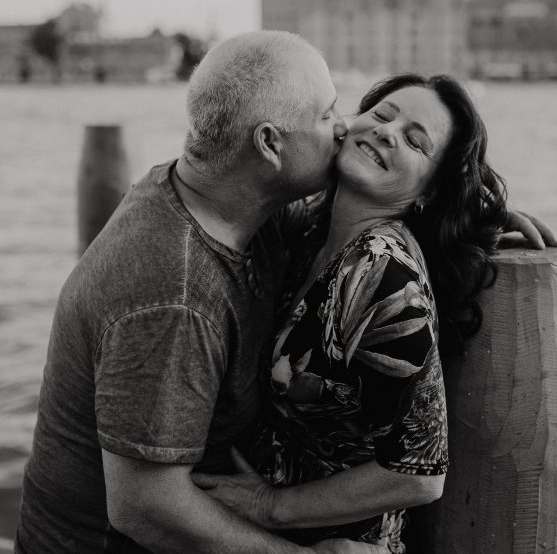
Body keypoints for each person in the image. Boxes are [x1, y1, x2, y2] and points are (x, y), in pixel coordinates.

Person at [16, 31, 555, 553]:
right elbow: (143, 506)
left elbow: (418, 470)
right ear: (270, 145)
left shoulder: (248, 210)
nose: (345, 128)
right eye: (328, 116)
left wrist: (470, 214)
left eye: (415, 139)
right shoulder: (193, 283)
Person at [191, 74, 508, 551]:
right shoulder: (312, 230)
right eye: (382, 116)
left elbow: (420, 475)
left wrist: (271, 507)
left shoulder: (383, 275)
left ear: (428, 193)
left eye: (415, 141)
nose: (387, 131)